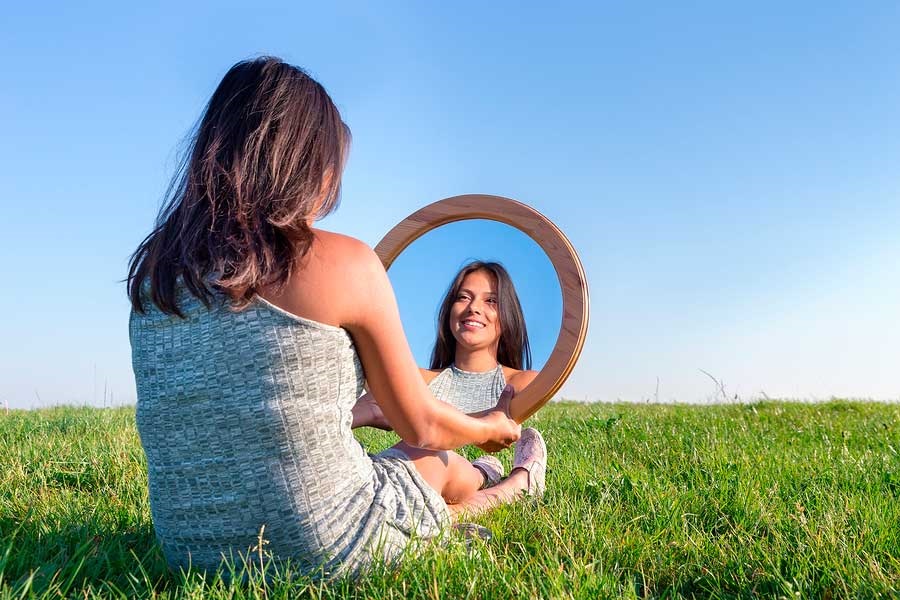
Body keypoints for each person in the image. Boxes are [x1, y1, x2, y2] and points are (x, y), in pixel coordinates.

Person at [127, 57, 546, 580]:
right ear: (308, 164)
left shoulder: (155, 274)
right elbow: (424, 424)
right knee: (429, 460)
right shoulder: (342, 261)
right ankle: (510, 487)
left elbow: (235, 408)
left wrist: (360, 411)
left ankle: (472, 487)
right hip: (325, 544)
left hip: (190, 552)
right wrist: (488, 427)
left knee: (406, 460)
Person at [353, 261, 543, 489]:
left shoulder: (526, 383)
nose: (473, 307)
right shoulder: (418, 380)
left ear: (507, 315)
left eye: (491, 301)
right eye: (463, 297)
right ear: (449, 311)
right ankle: (500, 480)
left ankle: (493, 479)